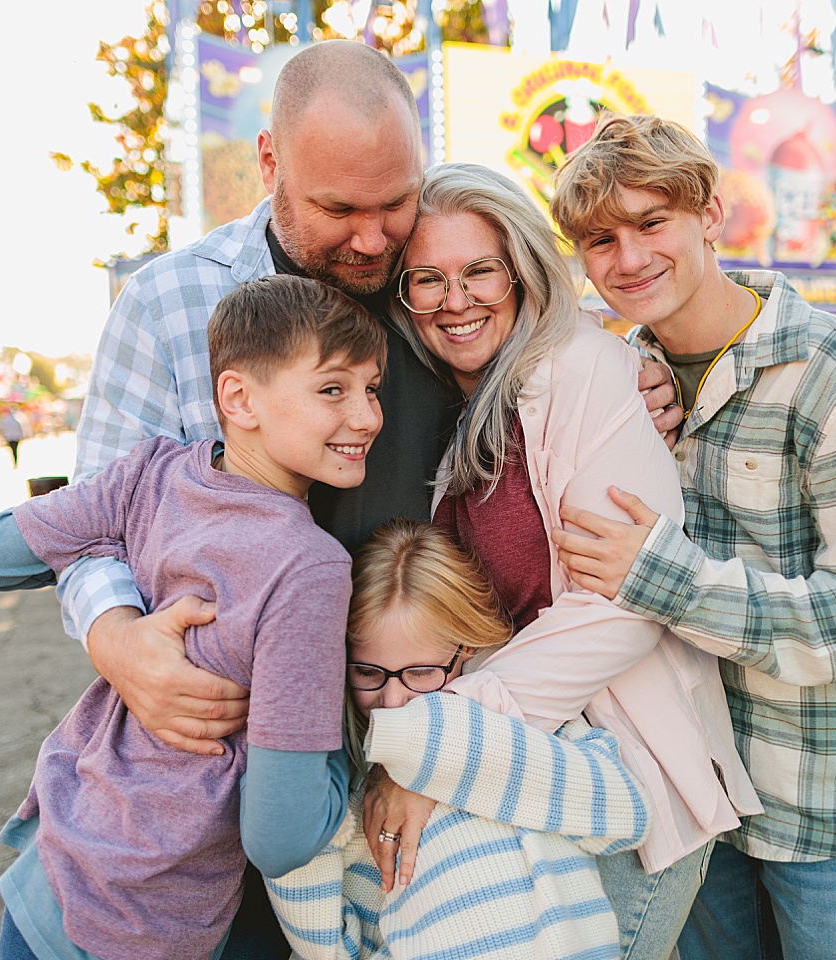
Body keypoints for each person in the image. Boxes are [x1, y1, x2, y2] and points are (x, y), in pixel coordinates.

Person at [56, 37, 678, 764]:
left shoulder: (420, 272)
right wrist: (115, 637)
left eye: (395, 202)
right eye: (339, 208)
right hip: (235, 732)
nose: (373, 238)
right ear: (270, 162)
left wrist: (636, 361)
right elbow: (91, 519)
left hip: (427, 712)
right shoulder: (168, 304)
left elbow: (519, 318)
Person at [547, 114, 836, 960]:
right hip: (695, 791)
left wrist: (667, 579)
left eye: (651, 223)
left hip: (822, 804)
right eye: (601, 240)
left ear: (710, 215)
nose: (628, 258)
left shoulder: (834, 373)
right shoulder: (622, 377)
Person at [359, 162, 759, 960]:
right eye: (427, 279)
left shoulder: (583, 370)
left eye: (480, 271)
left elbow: (624, 607)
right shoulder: (447, 397)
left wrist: (442, 737)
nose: (455, 300)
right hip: (528, 765)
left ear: (523, 272)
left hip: (628, 769)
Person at [0, 275, 381, 960]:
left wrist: (101, 561)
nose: (368, 417)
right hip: (141, 919)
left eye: (372, 388)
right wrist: (355, 768)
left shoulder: (150, 477)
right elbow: (282, 836)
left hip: (49, 876)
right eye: (333, 389)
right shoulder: (308, 568)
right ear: (238, 399)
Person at [268, 519, 651, 960]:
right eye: (368, 673)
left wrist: (434, 744)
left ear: (467, 649)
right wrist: (297, 817)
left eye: (420, 673)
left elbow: (629, 818)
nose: (392, 702)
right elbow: (332, 951)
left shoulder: (528, 725)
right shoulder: (362, 803)